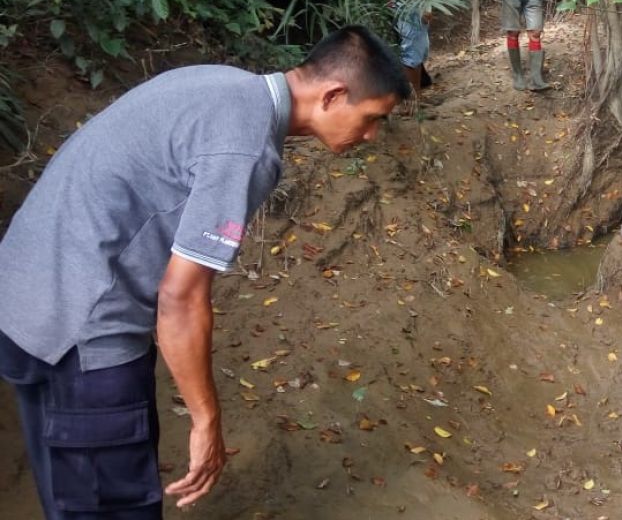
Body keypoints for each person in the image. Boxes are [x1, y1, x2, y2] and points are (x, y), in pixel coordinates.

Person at [0, 26, 408, 518]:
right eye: (371, 118)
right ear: (334, 95)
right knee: (109, 507)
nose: (371, 135)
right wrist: (206, 421)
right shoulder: (248, 146)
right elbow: (181, 300)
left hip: (21, 301)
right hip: (84, 330)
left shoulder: (221, 84)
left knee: (69, 492)